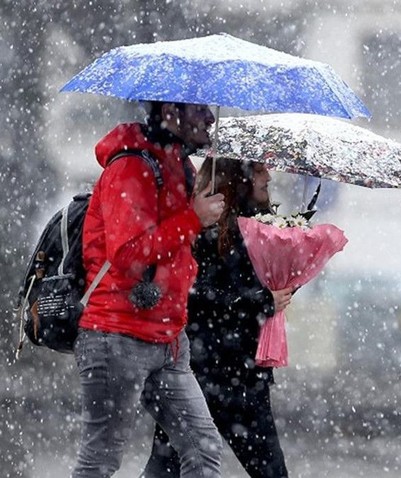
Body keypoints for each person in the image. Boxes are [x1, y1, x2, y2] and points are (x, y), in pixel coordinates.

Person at [73, 101, 226, 478]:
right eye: (199, 109)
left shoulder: (179, 166)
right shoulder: (132, 167)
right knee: (100, 460)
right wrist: (193, 218)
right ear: (170, 111)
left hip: (169, 338)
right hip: (116, 334)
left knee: (203, 450)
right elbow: (128, 253)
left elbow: (177, 247)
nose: (210, 117)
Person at [142, 157, 293, 478]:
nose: (268, 174)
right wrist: (261, 302)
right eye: (259, 169)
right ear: (238, 177)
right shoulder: (204, 229)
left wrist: (284, 284)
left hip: (242, 374)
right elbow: (196, 295)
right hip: (202, 372)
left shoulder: (264, 228)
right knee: (167, 468)